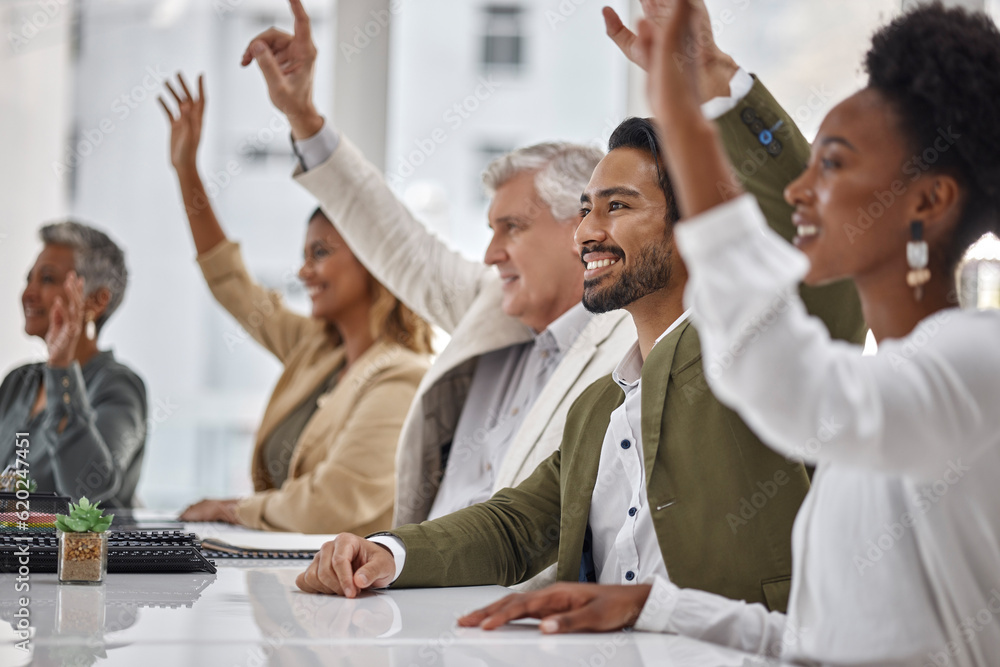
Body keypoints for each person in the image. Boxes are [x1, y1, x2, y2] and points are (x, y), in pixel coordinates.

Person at [460, 3, 1000, 666]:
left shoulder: (981, 360)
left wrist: (687, 122)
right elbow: (815, 644)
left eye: (831, 164)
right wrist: (651, 605)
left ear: (927, 202)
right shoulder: (887, 398)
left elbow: (783, 379)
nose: (799, 189)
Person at [290, 1, 867, 611]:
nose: (587, 231)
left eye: (617, 207)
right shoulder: (598, 408)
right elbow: (515, 527)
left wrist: (714, 80)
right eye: (585, 209)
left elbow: (816, 252)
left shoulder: (759, 348)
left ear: (692, 224)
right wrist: (388, 554)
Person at [240, 0, 639, 548]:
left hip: (508, 614)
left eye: (512, 227)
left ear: (581, 225)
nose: (492, 252)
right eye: (491, 229)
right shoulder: (491, 305)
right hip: (412, 585)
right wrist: (304, 119)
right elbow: (398, 242)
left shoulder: (632, 345)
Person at [159, 74, 433, 534]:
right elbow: (231, 283)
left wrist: (233, 510)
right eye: (304, 256)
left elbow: (329, 506)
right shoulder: (315, 348)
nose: (304, 272)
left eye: (320, 253)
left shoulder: (402, 376)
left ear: (371, 260)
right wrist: (186, 169)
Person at [0, 221, 146, 507]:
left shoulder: (118, 386)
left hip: (81, 553)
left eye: (47, 279)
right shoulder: (18, 382)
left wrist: (60, 368)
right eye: (28, 279)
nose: (28, 293)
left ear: (97, 300)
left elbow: (86, 488)